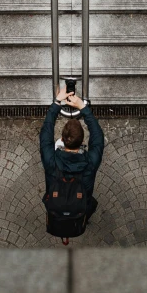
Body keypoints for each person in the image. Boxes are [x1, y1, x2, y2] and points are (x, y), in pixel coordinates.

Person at [40, 86, 104, 223]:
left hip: (55, 202)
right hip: (82, 203)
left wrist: (57, 102)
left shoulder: (51, 161)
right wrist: (83, 107)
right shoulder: (90, 163)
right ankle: (82, 219)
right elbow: (98, 136)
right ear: (82, 141)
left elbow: (46, 132)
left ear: (62, 140)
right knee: (87, 206)